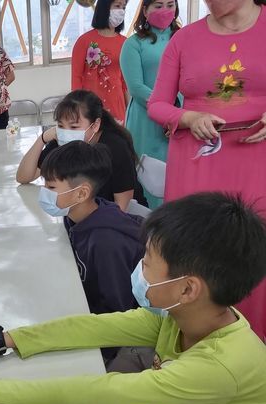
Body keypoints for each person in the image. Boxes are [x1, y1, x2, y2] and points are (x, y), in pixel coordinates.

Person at [0, 192, 266, 404]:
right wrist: (2, 340)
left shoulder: (219, 367)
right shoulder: (180, 316)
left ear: (187, 288)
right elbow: (93, 327)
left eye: (148, 261)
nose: (140, 267)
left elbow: (101, 393)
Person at [147, 0, 266, 340]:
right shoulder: (184, 39)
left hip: (257, 160)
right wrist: (188, 118)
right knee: (192, 251)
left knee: (253, 247)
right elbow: (157, 104)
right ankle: (190, 346)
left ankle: (253, 346)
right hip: (197, 161)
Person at [38, 140, 150, 369]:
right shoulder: (75, 216)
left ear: (81, 193)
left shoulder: (106, 243)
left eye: (50, 188)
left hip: (123, 341)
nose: (43, 193)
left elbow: (119, 309)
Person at [17, 90, 147, 211]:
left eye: (74, 126)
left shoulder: (115, 147)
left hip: (120, 220)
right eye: (61, 126)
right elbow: (24, 177)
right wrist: (43, 138)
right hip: (83, 213)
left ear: (95, 125)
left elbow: (122, 207)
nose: (66, 132)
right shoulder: (62, 140)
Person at [120, 0, 180, 208]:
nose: (165, 11)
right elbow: (136, 87)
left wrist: (181, 113)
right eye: (158, 6)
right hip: (147, 118)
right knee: (150, 176)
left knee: (180, 175)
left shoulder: (184, 38)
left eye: (170, 5)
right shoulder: (133, 44)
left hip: (184, 116)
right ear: (145, 10)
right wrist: (167, 114)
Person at [71, 0, 128, 124]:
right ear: (104, 8)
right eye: (117, 6)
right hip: (90, 105)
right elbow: (76, 77)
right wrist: (78, 109)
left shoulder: (125, 43)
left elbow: (125, 82)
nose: (121, 11)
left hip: (117, 105)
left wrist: (130, 110)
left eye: (123, 7)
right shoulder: (84, 41)